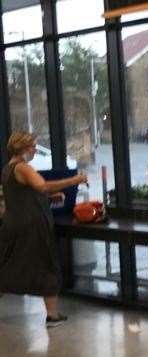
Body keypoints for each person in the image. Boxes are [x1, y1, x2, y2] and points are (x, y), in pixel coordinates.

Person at [0, 132, 87, 327]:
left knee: (6, 266)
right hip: (32, 227)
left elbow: (23, 195)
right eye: (32, 147)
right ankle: (53, 316)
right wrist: (74, 181)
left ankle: (52, 314)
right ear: (23, 148)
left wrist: (50, 197)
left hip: (13, 225)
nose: (34, 150)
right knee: (47, 267)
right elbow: (42, 185)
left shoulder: (7, 169)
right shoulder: (23, 167)